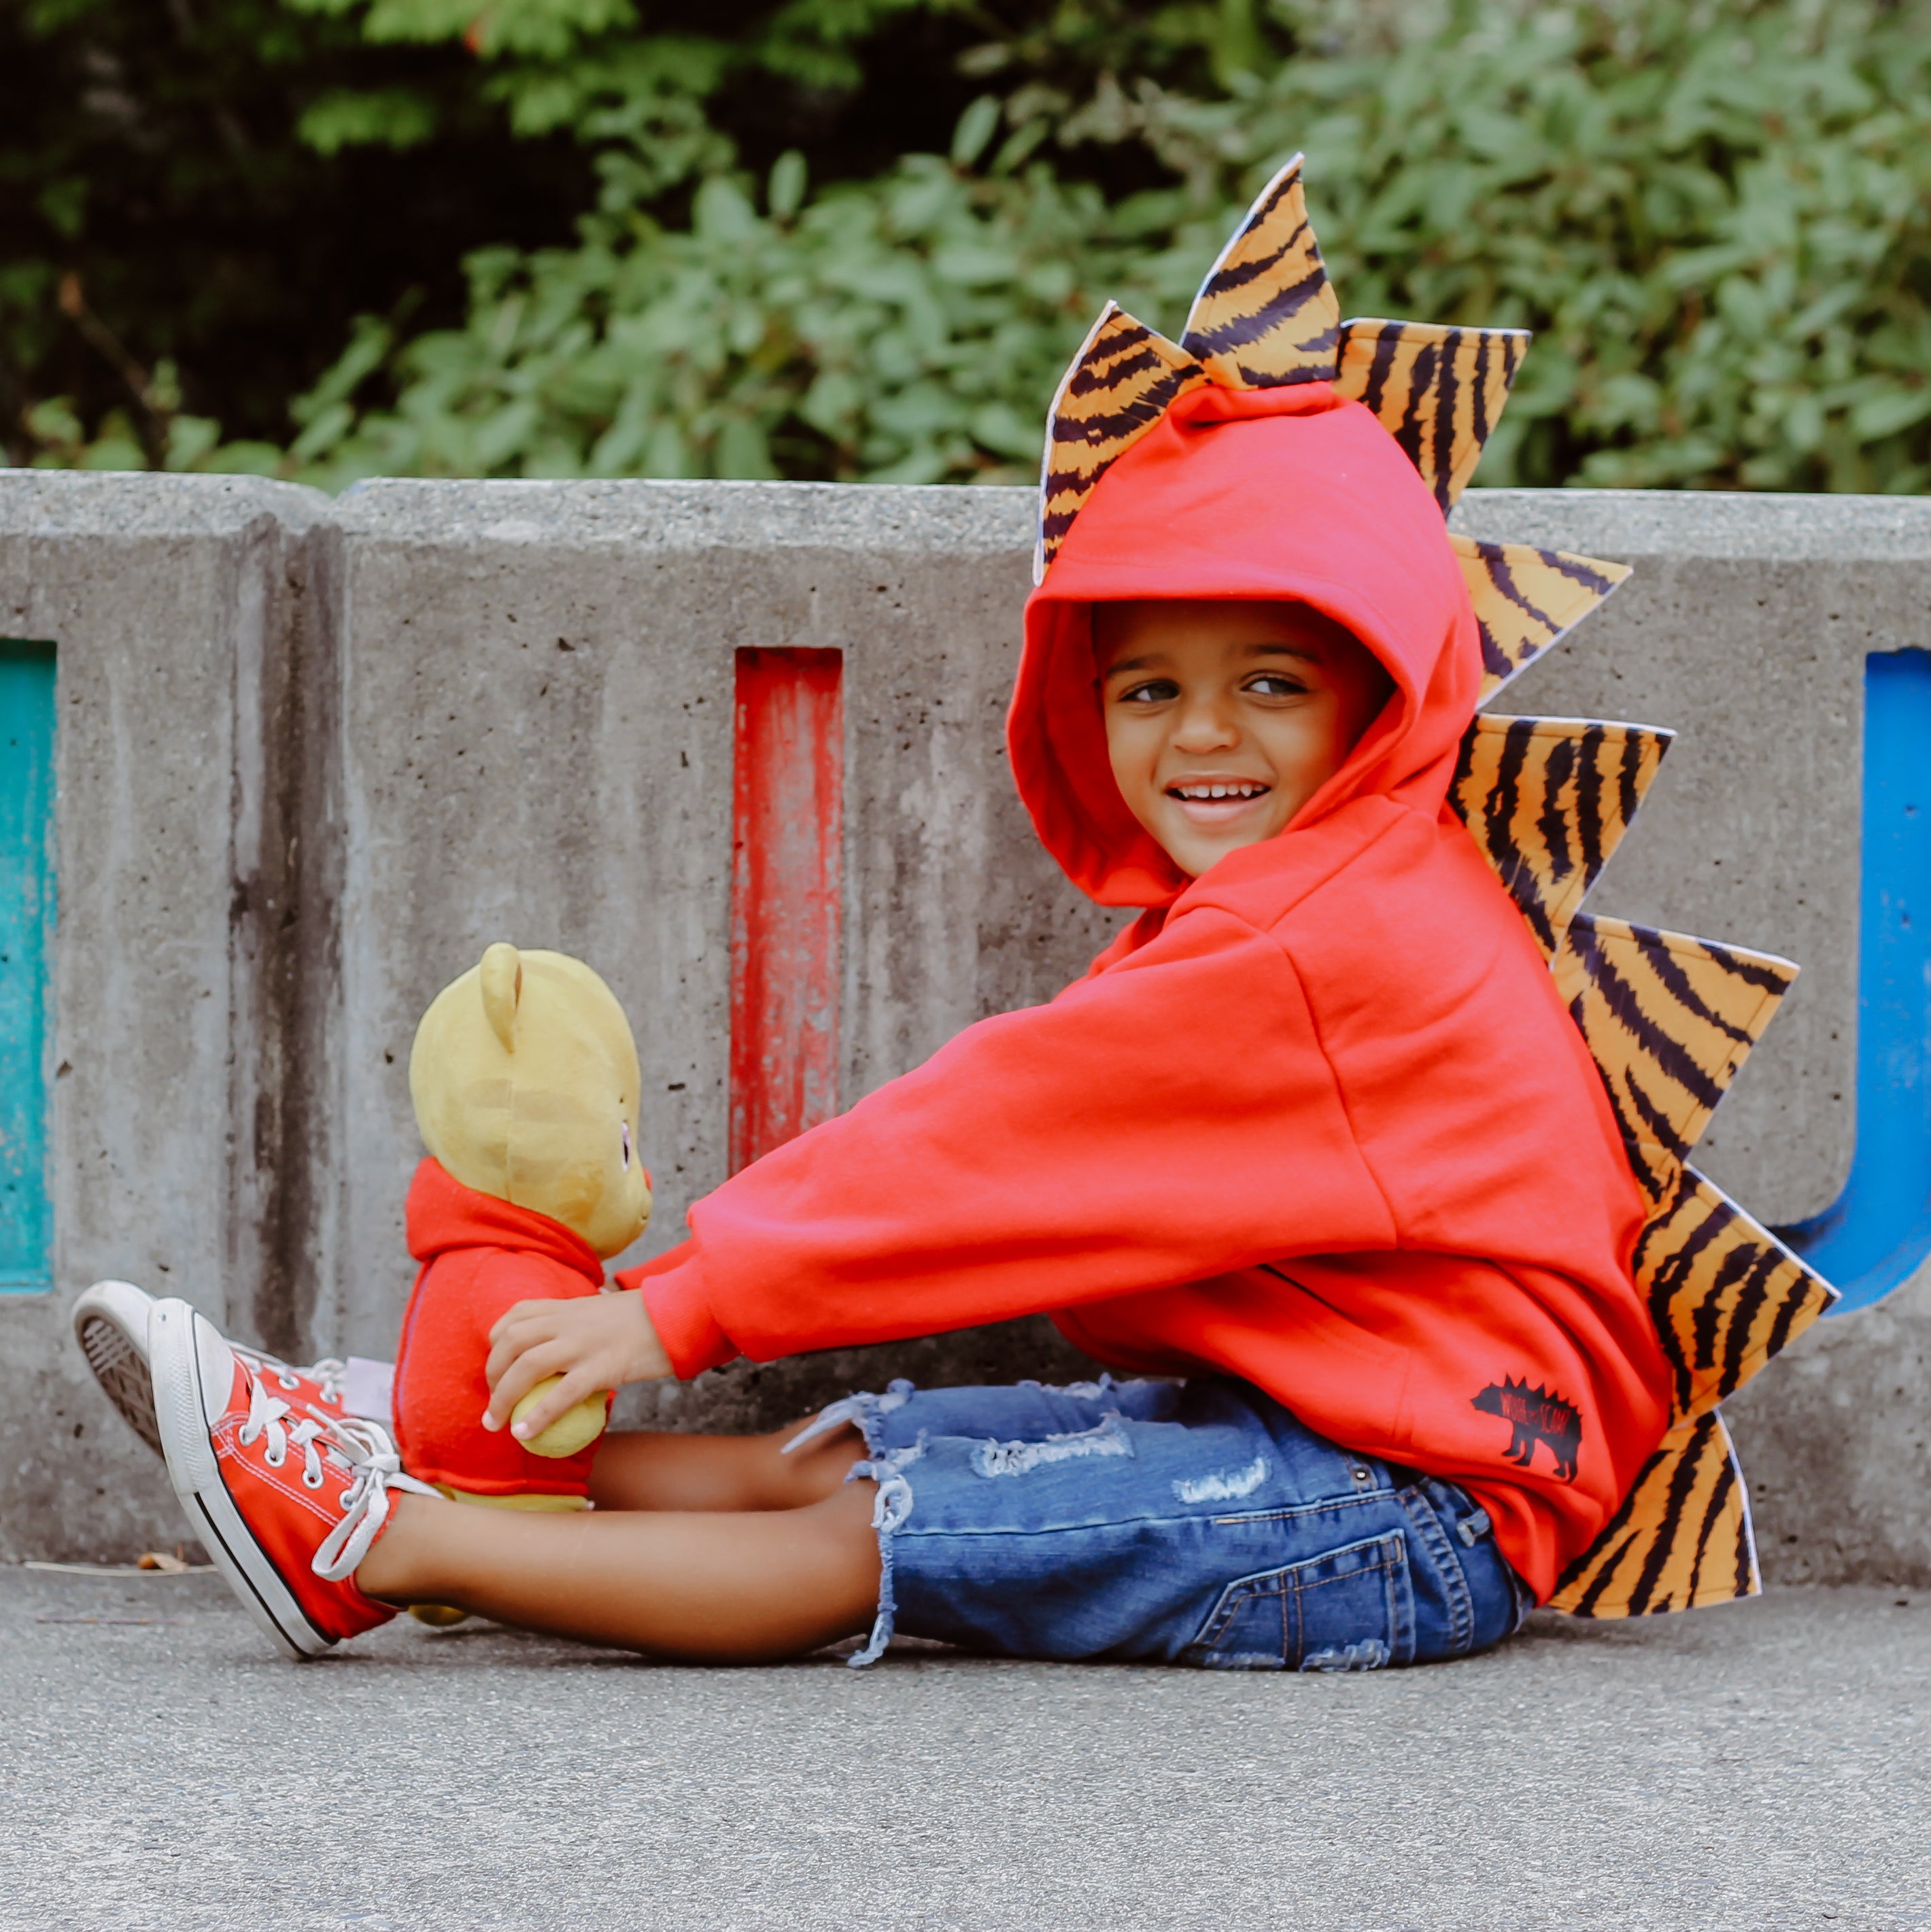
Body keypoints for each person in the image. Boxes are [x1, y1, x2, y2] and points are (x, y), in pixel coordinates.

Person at [143, 201, 1672, 1673]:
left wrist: (669, 1303)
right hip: (1336, 1436)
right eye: (1147, 688)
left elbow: (993, 1141)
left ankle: (374, 1541)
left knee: (881, 1530)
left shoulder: (1321, 936)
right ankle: (451, 1462)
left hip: (1413, 1510)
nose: (1203, 732)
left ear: (1380, 699)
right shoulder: (1322, 891)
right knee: (849, 1452)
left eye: (1270, 681)